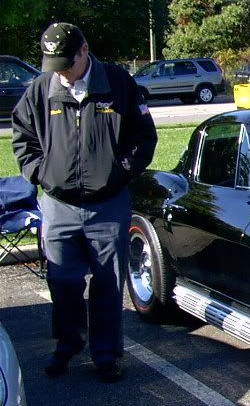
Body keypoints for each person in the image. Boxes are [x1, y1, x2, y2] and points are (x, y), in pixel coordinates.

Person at [11, 23, 157, 381]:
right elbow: (23, 137)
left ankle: (105, 355)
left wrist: (119, 172)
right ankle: (67, 344)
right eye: (53, 64)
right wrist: (41, 174)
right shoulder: (41, 88)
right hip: (58, 204)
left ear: (84, 51)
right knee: (63, 280)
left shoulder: (118, 83)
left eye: (66, 63)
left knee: (108, 283)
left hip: (107, 205)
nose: (61, 72)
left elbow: (144, 137)